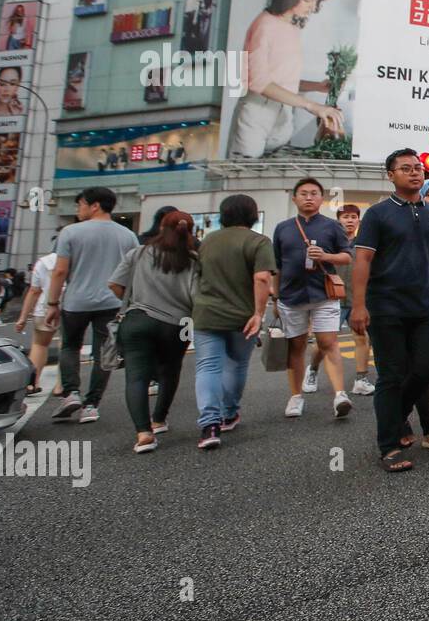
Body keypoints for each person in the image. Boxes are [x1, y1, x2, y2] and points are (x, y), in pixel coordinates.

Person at [351, 149, 429, 472]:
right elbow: (363, 260)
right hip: (385, 308)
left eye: (418, 168)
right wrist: (358, 305)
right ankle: (388, 446)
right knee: (391, 376)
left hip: (424, 306)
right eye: (406, 168)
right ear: (391, 175)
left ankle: (395, 419)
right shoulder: (377, 214)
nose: (414, 173)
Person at [44, 187, 140, 423]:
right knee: (103, 353)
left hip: (76, 302)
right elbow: (134, 273)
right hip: (111, 302)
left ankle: (71, 392)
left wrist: (52, 303)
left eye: (80, 205)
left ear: (94, 205)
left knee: (69, 346)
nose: (78, 209)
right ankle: (91, 405)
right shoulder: (127, 236)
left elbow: (60, 271)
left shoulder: (70, 232)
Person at [228, 0, 345, 158]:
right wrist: (312, 106)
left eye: (316, 1)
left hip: (284, 114)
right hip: (258, 112)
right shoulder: (264, 25)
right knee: (243, 176)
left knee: (274, 177)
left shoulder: (291, 28)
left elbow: (281, 80)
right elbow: (260, 82)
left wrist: (316, 86)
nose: (313, 7)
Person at [109, 210, 198, 454]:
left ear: (161, 227)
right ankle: (159, 419)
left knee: (136, 376)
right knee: (171, 371)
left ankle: (143, 432)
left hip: (138, 319)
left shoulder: (138, 253)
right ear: (190, 232)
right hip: (178, 325)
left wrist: (133, 300)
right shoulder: (192, 260)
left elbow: (115, 284)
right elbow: (196, 296)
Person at [192, 195, 276, 449]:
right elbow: (262, 279)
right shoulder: (258, 241)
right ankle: (229, 414)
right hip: (243, 317)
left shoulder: (208, 241)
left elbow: (198, 276)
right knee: (236, 365)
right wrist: (259, 313)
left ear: (223, 214)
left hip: (206, 314)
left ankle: (209, 424)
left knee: (208, 367)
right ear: (252, 215)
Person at [271, 178, 354, 419]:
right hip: (290, 295)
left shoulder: (331, 226)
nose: (309, 197)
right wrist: (275, 297)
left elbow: (347, 257)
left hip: (324, 294)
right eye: (304, 193)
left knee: (329, 343)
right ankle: (296, 396)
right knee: (296, 347)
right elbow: (277, 265)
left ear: (321, 198)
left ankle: (340, 395)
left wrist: (327, 256)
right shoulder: (283, 228)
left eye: (314, 193)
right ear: (294, 198)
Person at [307, 204, 376, 395]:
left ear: (358, 221)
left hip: (356, 299)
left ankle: (361, 379)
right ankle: (312, 370)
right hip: (331, 298)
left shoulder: (364, 243)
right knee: (324, 343)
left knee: (362, 338)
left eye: (353, 217)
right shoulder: (329, 242)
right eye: (345, 217)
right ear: (339, 220)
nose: (350, 220)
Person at [14, 245, 60, 396]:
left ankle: (32, 383)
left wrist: (22, 317)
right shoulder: (75, 259)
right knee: (68, 345)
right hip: (69, 307)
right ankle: (61, 385)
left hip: (44, 307)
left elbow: (34, 291)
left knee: (40, 344)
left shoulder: (43, 262)